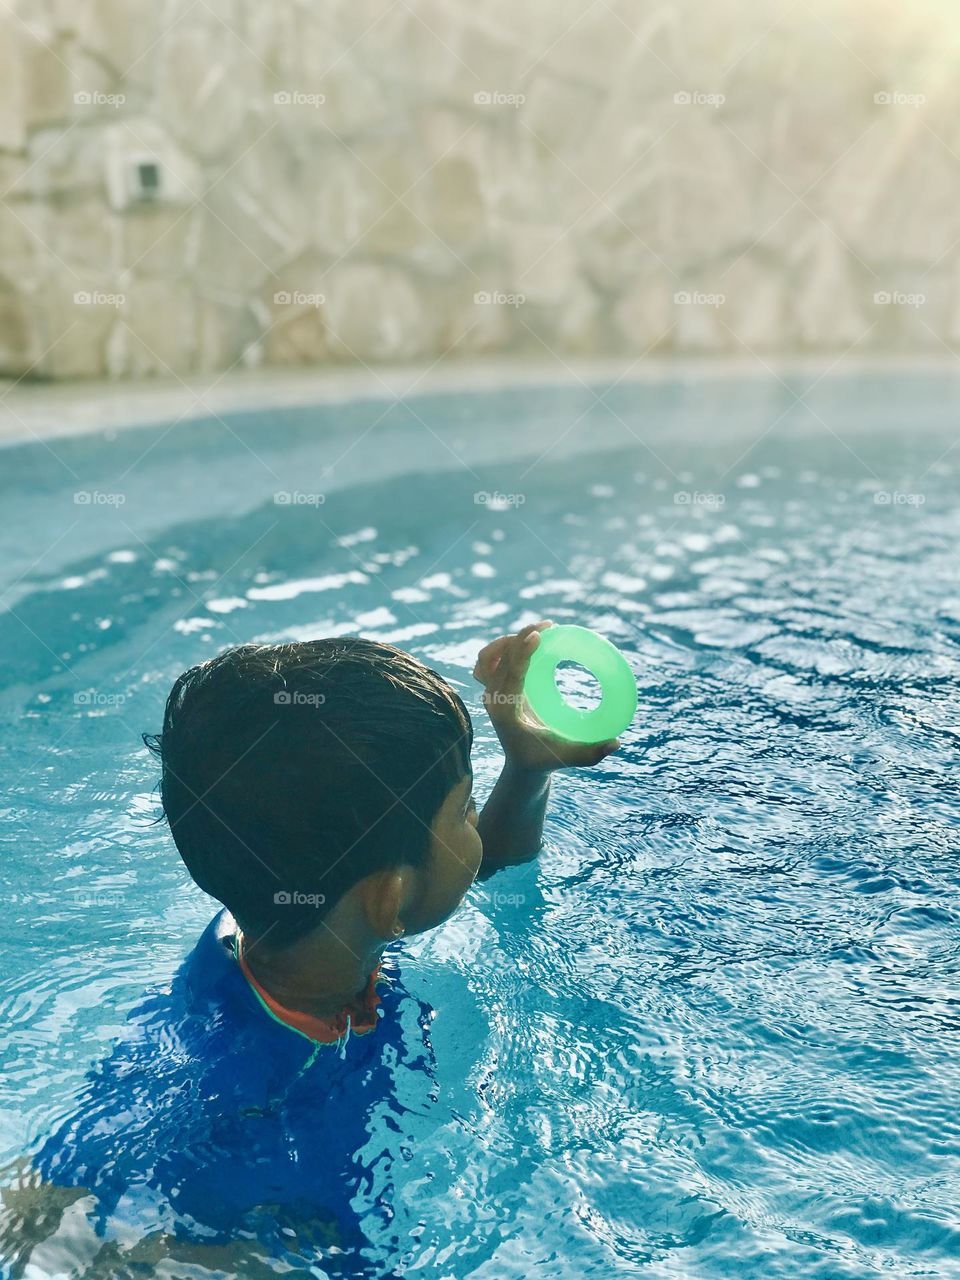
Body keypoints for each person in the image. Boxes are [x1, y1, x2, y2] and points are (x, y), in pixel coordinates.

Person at [18, 623, 619, 1269]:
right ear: (390, 900)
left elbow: (459, 870)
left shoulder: (273, 907)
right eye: (465, 810)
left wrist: (528, 772)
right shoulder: (279, 1101)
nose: (476, 830)